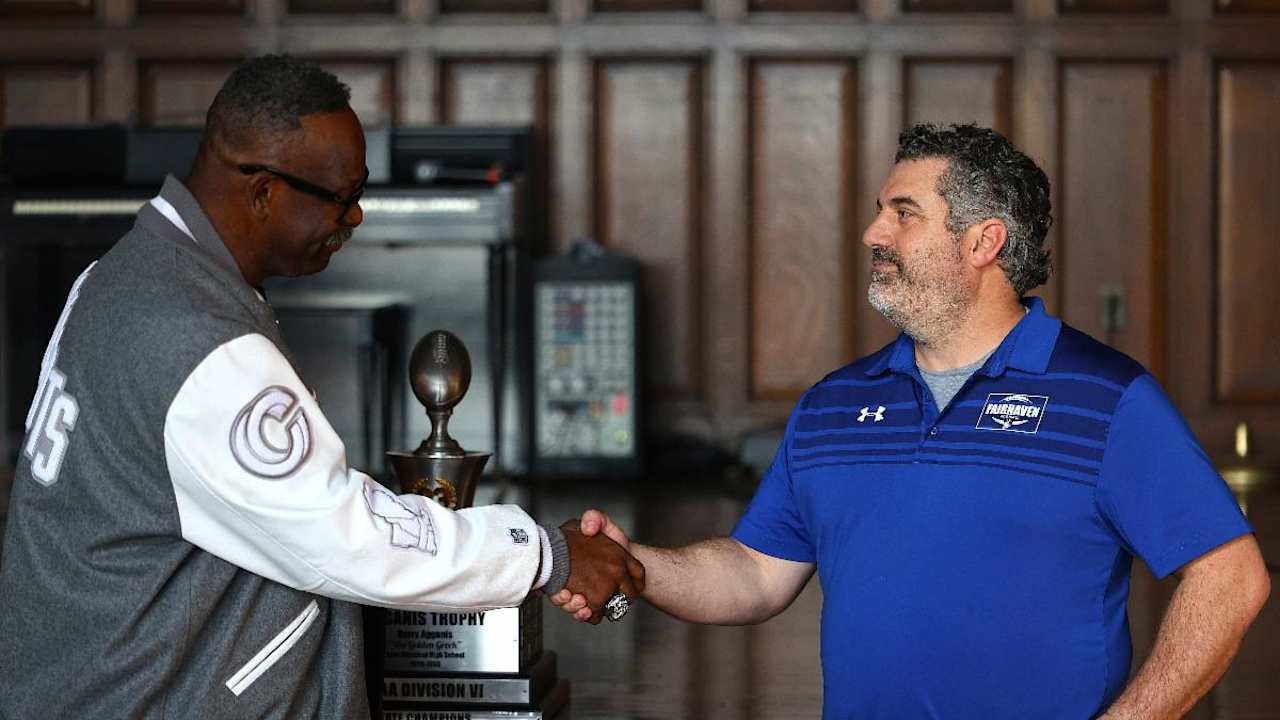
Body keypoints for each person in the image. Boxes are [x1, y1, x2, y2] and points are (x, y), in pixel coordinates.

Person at [553, 123, 1270, 719]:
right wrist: (636, 566)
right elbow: (754, 575)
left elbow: (1230, 577)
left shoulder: (1106, 397)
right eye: (879, 210)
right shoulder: (832, 404)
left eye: (904, 212)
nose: (873, 232)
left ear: (983, 241)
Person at [0, 54, 642, 718]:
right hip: (143, 695)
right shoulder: (195, 339)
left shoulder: (119, 276)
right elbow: (347, 536)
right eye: (343, 196)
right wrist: (544, 554)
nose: (355, 217)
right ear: (263, 191)